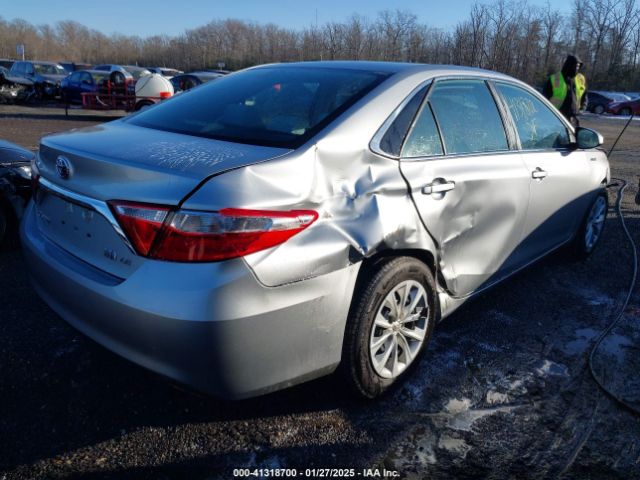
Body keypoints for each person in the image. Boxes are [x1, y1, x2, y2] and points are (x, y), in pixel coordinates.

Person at [543, 55, 587, 127]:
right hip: (556, 117)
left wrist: (582, 109)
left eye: (578, 66)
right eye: (576, 66)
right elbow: (544, 97)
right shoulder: (555, 78)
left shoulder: (580, 79)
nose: (577, 68)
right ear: (569, 65)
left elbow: (584, 97)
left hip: (573, 118)